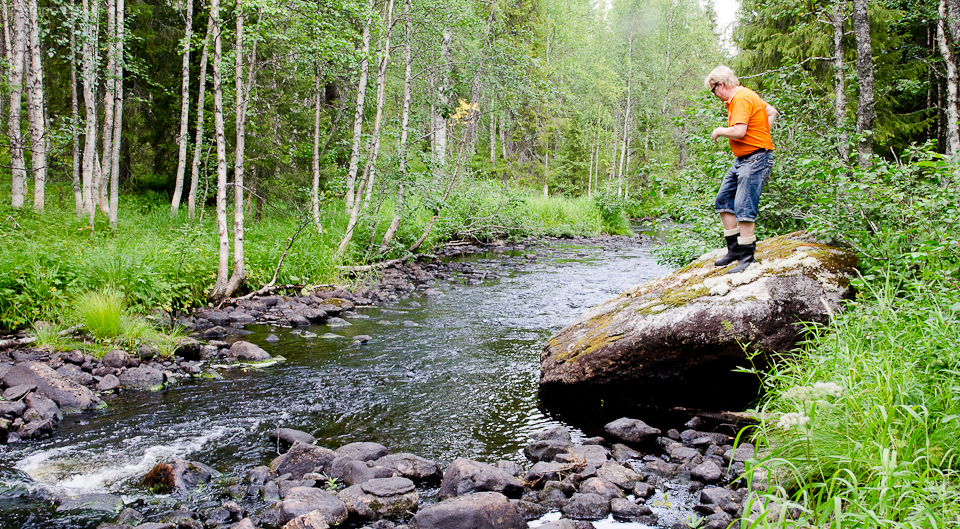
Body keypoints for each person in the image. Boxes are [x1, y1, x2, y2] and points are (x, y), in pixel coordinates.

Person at [704, 65, 777, 274]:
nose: (714, 94)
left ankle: (747, 257)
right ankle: (734, 250)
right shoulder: (744, 96)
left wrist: (719, 131)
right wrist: (761, 132)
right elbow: (771, 112)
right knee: (724, 200)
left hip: (756, 158)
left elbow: (739, 131)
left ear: (721, 84)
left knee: (744, 206)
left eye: (713, 89)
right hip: (743, 159)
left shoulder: (741, 98)